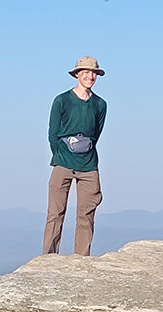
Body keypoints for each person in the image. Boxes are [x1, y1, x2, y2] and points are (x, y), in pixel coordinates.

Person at [42, 56, 107, 256]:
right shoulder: (62, 100)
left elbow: (96, 133)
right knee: (55, 213)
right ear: (77, 75)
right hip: (62, 161)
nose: (90, 76)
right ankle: (49, 258)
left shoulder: (100, 104)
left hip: (88, 163)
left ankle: (82, 258)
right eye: (86, 72)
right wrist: (61, 153)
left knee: (86, 214)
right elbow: (53, 134)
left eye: (93, 73)